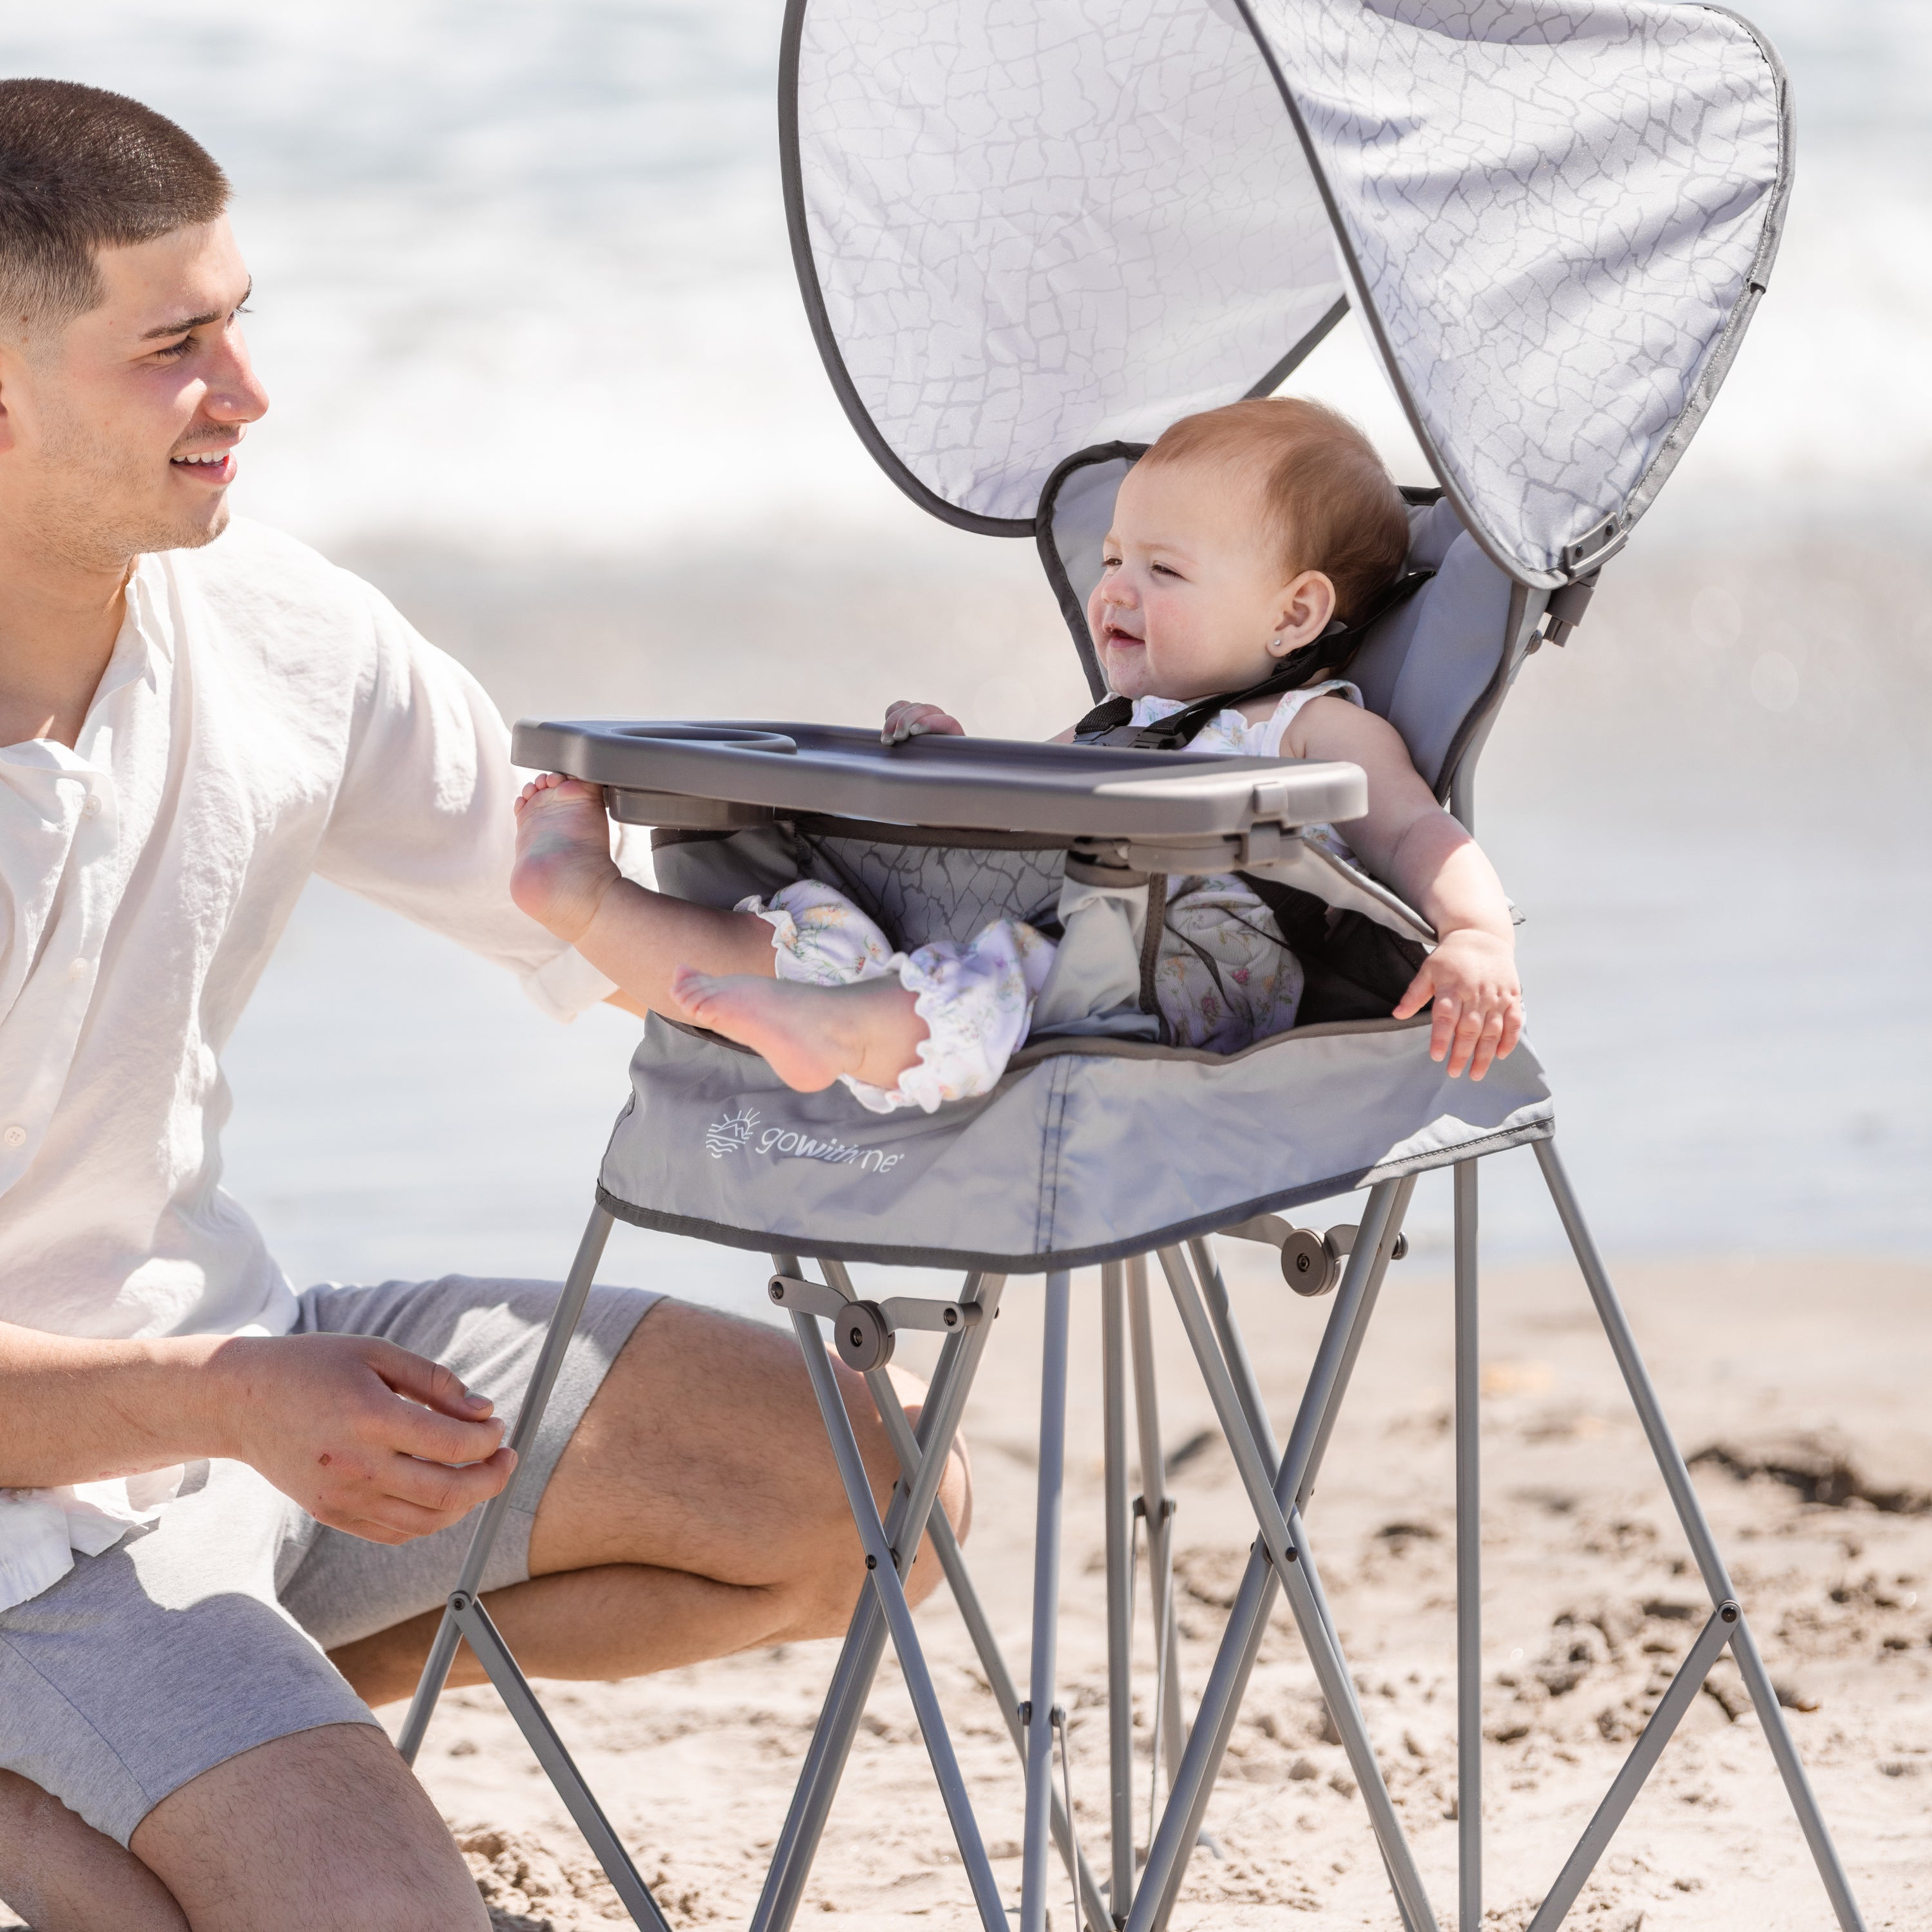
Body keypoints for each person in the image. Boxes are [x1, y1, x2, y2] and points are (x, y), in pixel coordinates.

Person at [0, 79, 968, 1932]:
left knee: (869, 1490)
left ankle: (199, 1756)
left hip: (229, 1401)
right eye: (175, 346)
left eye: (243, 321)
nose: (250, 394)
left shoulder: (284, 633)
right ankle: (152, 1786)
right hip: (42, 1517)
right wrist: (226, 1393)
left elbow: (613, 931)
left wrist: (956, 942)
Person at [510, 399, 1525, 1110]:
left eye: (1164, 569)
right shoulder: (1108, 730)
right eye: (1116, 558)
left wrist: (1477, 934)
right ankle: (594, 901)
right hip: (1044, 938)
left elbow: (1413, 826)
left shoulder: (1307, 725)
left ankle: (836, 1027)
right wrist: (953, 760)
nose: (1116, 589)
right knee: (826, 925)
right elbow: (1009, 820)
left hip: (1177, 976)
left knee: (993, 978)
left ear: (1293, 613)